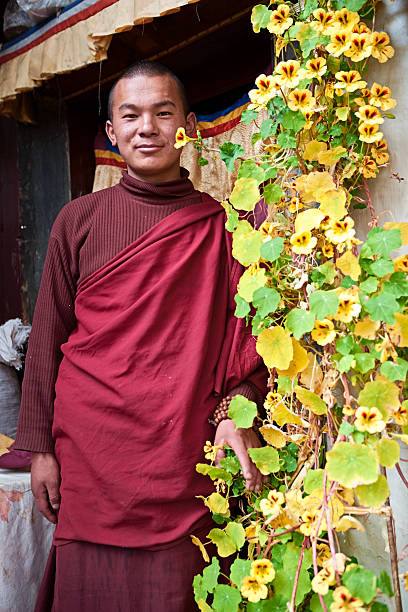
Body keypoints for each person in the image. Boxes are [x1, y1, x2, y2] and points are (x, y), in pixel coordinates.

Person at [15, 61, 268, 611]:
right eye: (129, 115)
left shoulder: (225, 230)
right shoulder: (76, 220)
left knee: (178, 591)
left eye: (162, 112)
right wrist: (39, 447)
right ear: (112, 133)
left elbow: (245, 348)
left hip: (183, 456)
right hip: (91, 451)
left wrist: (234, 412)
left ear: (189, 126)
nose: (145, 127)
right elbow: (47, 339)